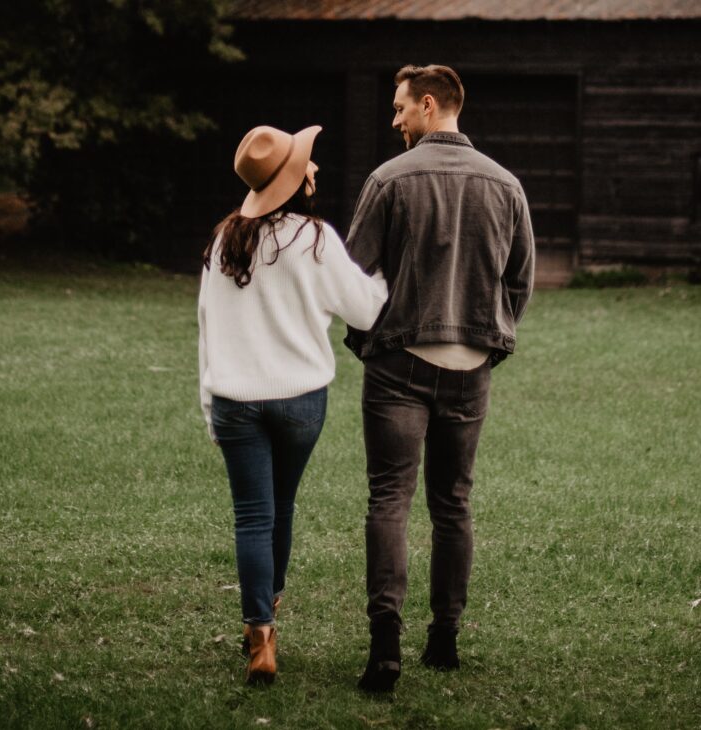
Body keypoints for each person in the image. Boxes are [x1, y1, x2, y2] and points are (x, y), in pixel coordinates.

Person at [343, 65, 536, 692]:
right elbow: (521, 282)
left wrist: (368, 340)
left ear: (430, 105)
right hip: (470, 369)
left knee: (388, 500)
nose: (394, 119)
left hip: (399, 365)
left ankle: (385, 650)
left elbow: (351, 278)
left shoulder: (388, 180)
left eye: (400, 108)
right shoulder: (506, 185)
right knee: (453, 504)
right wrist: (486, 339)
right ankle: (445, 640)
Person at [199, 124, 388, 685]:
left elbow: (206, 330)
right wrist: (384, 273)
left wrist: (209, 407)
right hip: (301, 401)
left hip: (234, 399)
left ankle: (260, 635)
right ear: (292, 180)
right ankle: (269, 607)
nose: (315, 169)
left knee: (251, 516)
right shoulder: (316, 239)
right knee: (280, 509)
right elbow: (367, 310)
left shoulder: (222, 241)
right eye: (307, 164)